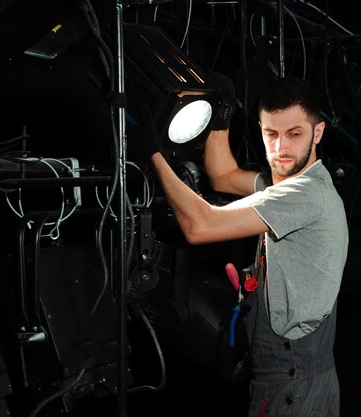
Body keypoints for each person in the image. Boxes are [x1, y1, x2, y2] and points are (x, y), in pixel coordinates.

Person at [131, 75, 348, 417]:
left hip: (294, 384)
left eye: (294, 134)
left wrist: (154, 155)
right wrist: (222, 114)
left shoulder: (305, 195)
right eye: (271, 135)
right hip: (294, 379)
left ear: (317, 133)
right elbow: (224, 175)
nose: (281, 149)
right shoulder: (291, 182)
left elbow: (199, 226)